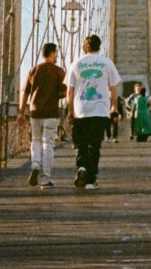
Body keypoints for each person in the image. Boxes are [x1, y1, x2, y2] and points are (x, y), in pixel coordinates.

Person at [66, 33, 121, 190]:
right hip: (100, 111)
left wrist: (70, 111)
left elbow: (69, 91)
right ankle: (90, 180)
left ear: (85, 47)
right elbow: (113, 89)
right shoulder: (107, 63)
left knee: (81, 144)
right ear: (99, 46)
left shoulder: (76, 64)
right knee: (94, 145)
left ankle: (81, 167)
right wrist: (114, 107)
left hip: (80, 110)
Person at [17, 42, 66, 190]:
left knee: (36, 140)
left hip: (35, 112)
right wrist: (58, 95)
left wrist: (21, 113)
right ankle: (45, 179)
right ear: (51, 54)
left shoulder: (33, 70)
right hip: (51, 113)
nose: (57, 56)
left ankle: (35, 165)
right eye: (56, 53)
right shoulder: (59, 71)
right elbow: (64, 92)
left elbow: (25, 93)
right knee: (48, 145)